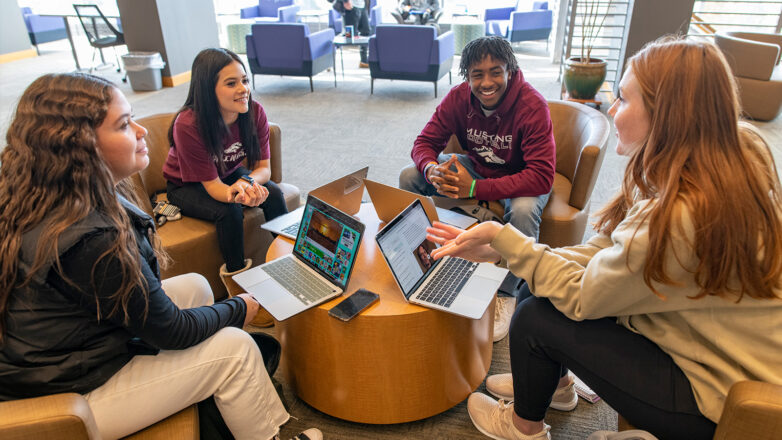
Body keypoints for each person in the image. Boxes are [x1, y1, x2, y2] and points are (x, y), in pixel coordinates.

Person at [427, 37, 782, 440]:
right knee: (538, 277)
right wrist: (511, 248)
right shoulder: (720, 155)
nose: (611, 110)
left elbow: (585, 297)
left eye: (624, 100)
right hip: (707, 346)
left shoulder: (682, 214)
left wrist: (508, 244)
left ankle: (524, 427)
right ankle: (553, 387)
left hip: (717, 399)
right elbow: (613, 252)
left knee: (536, 315)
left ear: (669, 114)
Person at [0, 73, 321, 440]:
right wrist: (242, 306)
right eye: (124, 125)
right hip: (69, 393)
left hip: (59, 357)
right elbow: (172, 330)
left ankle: (218, 402)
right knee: (236, 349)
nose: (141, 131)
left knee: (197, 286)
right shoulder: (90, 238)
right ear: (78, 145)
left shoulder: (55, 193)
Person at [399, 36, 556, 343]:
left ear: (510, 70)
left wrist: (475, 186)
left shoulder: (532, 105)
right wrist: (432, 169)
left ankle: (507, 293)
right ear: (467, 76)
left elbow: (541, 176)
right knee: (410, 177)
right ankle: (418, 251)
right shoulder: (458, 98)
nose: (487, 82)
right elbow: (424, 144)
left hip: (521, 175)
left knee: (523, 210)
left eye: (495, 71)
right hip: (477, 166)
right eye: (477, 74)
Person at [163, 48, 288, 319]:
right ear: (208, 89)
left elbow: (263, 169)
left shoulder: (254, 111)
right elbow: (213, 188)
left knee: (273, 194)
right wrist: (239, 194)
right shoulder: (188, 124)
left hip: (229, 174)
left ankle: (293, 266)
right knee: (229, 210)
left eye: (244, 80)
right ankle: (241, 293)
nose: (243, 89)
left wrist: (248, 186)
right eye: (231, 83)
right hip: (186, 184)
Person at [329, 0, 370, 68]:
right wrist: (345, 1)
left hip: (362, 6)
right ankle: (329, 61)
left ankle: (364, 60)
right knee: (349, 36)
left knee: (366, 31)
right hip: (350, 7)